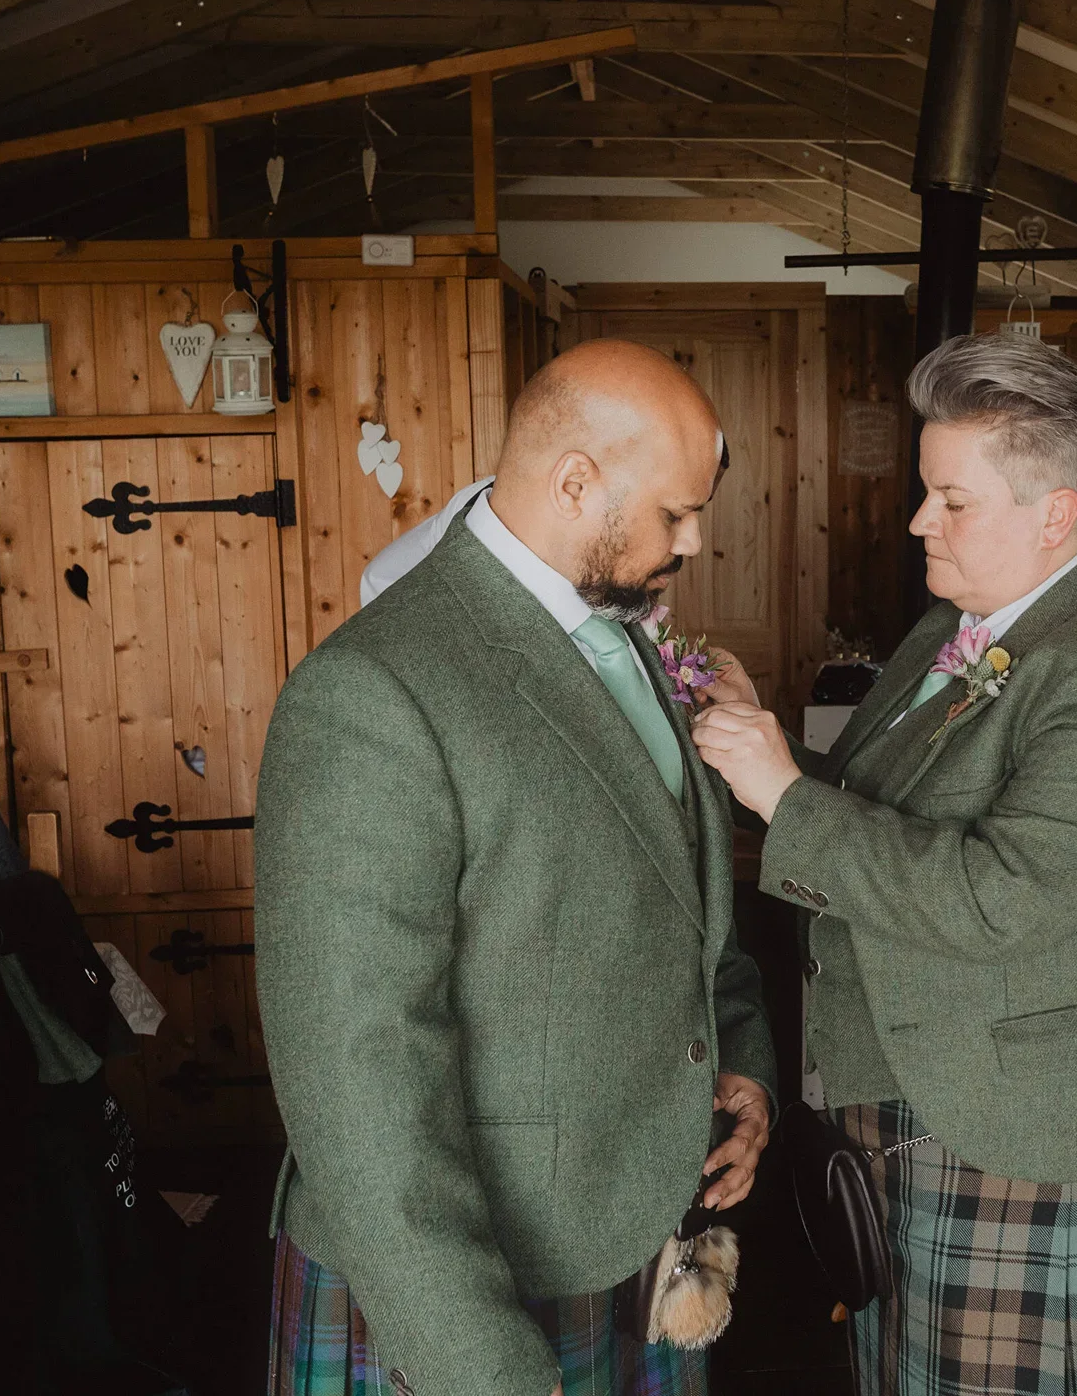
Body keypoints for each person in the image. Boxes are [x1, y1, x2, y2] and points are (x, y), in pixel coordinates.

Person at [693, 333, 1077, 1395]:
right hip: (913, 1114)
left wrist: (781, 791)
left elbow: (996, 899)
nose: (919, 519)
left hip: (1039, 1142)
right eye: (927, 490)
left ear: (1054, 514)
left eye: (952, 499)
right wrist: (765, 743)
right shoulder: (952, 625)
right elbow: (881, 811)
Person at [256, 339, 775, 1396]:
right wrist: (475, 1361)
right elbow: (355, 1073)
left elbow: (683, 901)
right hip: (455, 1291)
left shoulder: (624, 636)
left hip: (635, 1233)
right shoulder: (372, 691)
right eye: (676, 513)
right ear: (575, 482)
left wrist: (746, 1062)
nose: (694, 539)